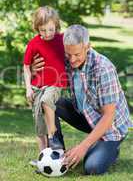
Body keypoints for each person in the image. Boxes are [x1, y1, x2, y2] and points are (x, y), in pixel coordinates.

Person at [31, 24, 132, 175]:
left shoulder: (103, 69)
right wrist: (33, 70)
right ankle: (56, 152)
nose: (72, 60)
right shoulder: (68, 56)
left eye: (77, 54)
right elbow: (43, 78)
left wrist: (82, 147)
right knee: (46, 101)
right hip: (86, 115)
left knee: (92, 167)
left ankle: (111, 149)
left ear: (87, 46)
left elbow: (108, 116)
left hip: (111, 127)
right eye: (68, 54)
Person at [23, 6, 67, 162]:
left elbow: (78, 47)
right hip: (37, 87)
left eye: (51, 29)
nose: (47, 34)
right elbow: (26, 66)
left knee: (46, 100)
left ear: (56, 25)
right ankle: (43, 159)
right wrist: (28, 88)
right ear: (37, 28)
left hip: (55, 84)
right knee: (39, 127)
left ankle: (53, 138)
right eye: (43, 30)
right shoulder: (34, 43)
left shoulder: (62, 39)